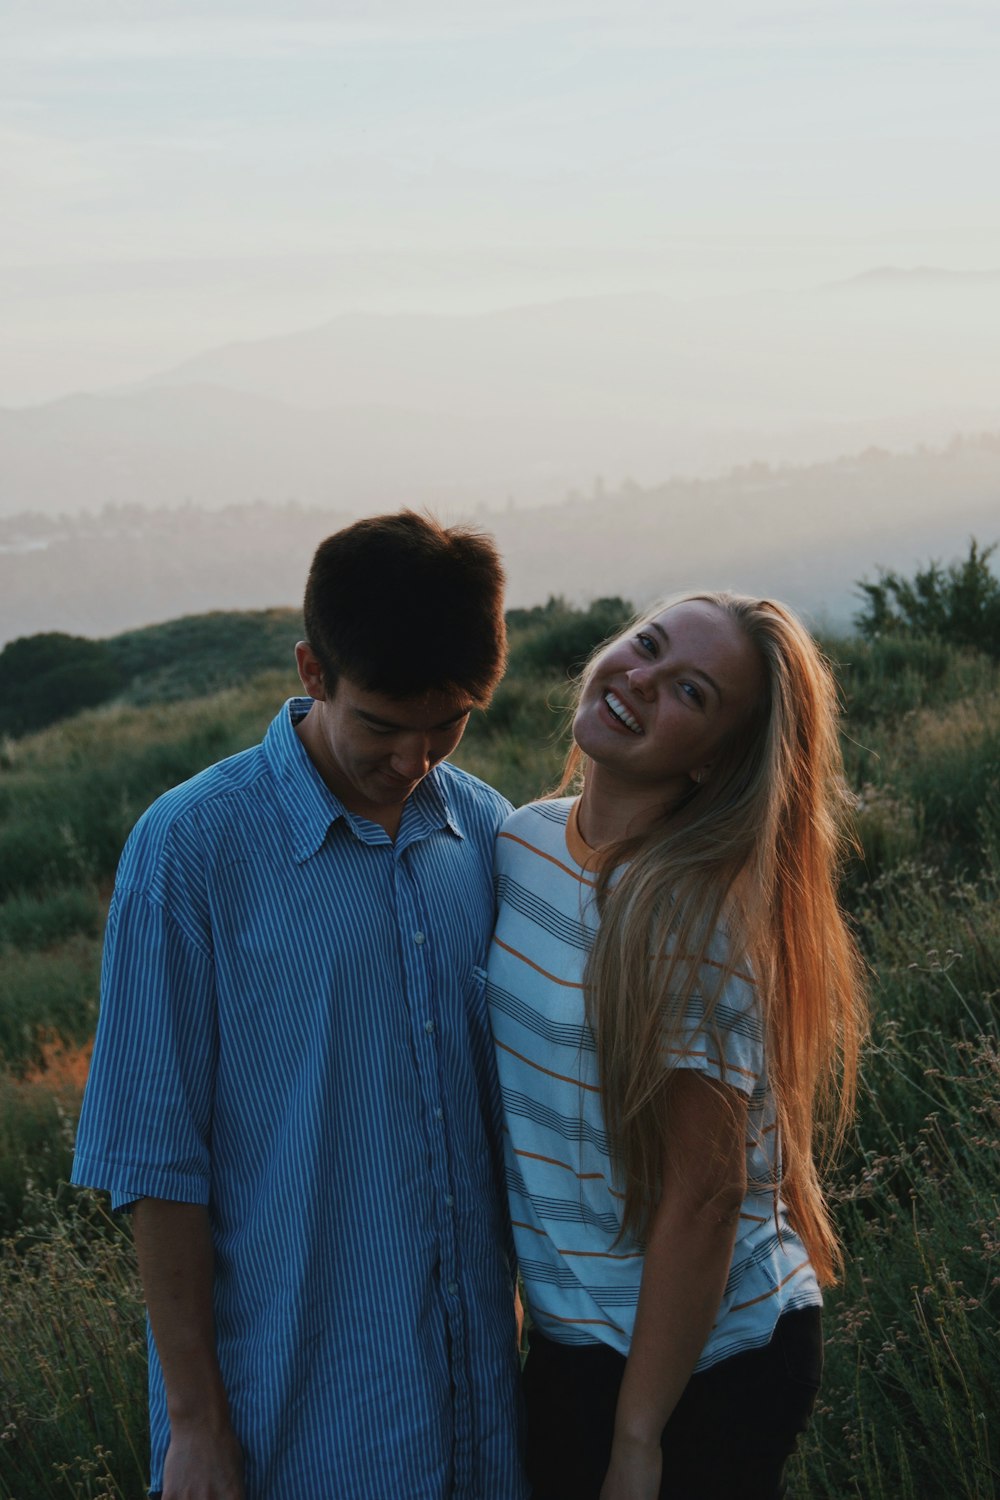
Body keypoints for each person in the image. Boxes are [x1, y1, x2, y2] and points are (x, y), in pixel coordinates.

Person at [72, 511, 528, 1500]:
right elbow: (156, 1161)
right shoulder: (188, 851)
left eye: (446, 724)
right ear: (312, 669)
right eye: (381, 724)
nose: (414, 759)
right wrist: (193, 1427)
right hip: (292, 1429)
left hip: (483, 1424)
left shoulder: (490, 835)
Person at [487, 591, 867, 1500]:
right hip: (580, 1333)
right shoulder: (521, 843)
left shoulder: (684, 922)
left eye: (691, 693)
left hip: (697, 1363)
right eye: (646, 645)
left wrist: (637, 1438)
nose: (642, 680)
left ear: (714, 764)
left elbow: (705, 1196)